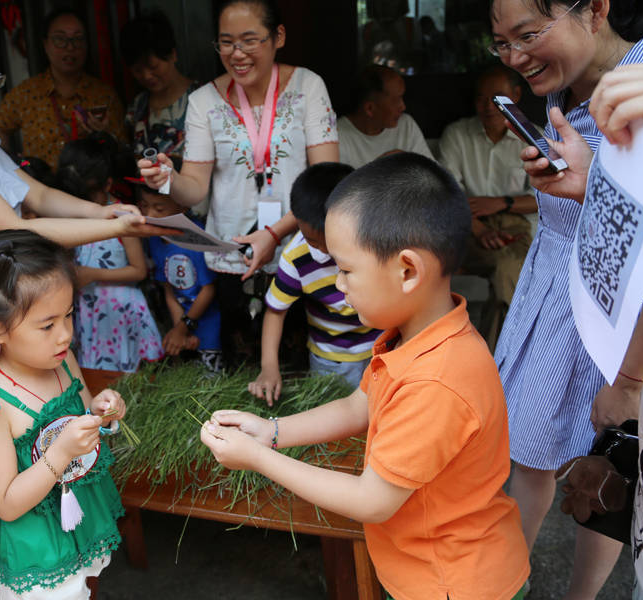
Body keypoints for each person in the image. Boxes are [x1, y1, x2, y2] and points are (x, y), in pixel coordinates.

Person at [200, 152, 530, 599]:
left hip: (452, 584)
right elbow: (360, 405)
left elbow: (370, 501)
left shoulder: (436, 381)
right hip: (424, 569)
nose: (338, 284)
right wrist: (270, 432)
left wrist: (258, 459)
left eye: (347, 269)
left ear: (408, 270)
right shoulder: (410, 336)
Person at [0, 15, 169, 397]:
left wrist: (105, 212)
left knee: (51, 421)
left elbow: (38, 195)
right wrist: (117, 227)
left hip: (17, 308)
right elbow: (12, 229)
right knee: (3, 432)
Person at [489, 0, 643, 595]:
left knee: (612, 457)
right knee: (552, 454)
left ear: (597, 10)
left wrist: (631, 380)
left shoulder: (642, 87)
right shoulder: (578, 96)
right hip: (564, 296)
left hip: (619, 319)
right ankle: (507, 583)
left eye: (529, 34)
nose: (515, 57)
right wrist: (588, 186)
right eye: (501, 43)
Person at [140, 0, 339, 361]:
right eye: (226, 42)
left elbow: (324, 182)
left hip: (299, 246)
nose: (237, 54)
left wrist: (274, 233)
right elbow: (196, 187)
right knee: (242, 363)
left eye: (249, 40)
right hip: (232, 255)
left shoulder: (308, 87)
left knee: (296, 360)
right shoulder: (203, 102)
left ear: (278, 37)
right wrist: (167, 180)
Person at [0, 229, 126, 599]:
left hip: (80, 518)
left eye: (68, 316)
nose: (65, 335)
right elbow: (6, 504)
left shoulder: (64, 363)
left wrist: (102, 412)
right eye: (47, 325)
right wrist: (60, 453)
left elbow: (88, 426)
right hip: (38, 552)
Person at [249, 162, 378, 406]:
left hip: (382, 345)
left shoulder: (376, 242)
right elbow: (276, 312)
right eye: (312, 240)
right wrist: (268, 367)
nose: (323, 249)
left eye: (329, 242)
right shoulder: (296, 257)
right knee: (336, 417)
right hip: (331, 356)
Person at [55, 133, 163, 372]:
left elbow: (138, 270)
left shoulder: (121, 216)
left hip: (118, 310)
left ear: (108, 185)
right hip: (87, 310)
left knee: (126, 376)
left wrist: (92, 274)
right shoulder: (65, 217)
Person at [438, 65, 537, 307]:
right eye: (481, 99)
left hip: (517, 228)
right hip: (467, 226)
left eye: (496, 99)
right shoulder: (457, 135)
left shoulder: (533, 138)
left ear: (516, 95)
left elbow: (544, 198)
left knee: (507, 269)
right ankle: (505, 344)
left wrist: (502, 203)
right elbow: (444, 193)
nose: (488, 107)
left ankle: (495, 343)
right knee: (507, 270)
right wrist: (480, 229)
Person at [0, 9, 126, 168]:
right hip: (42, 188)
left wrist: (105, 135)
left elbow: (123, 148)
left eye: (77, 39)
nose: (70, 47)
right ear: (46, 44)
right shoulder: (26, 93)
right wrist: (10, 164)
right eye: (60, 39)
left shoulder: (104, 95)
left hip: (91, 189)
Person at [137, 172, 222, 372]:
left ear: (183, 206)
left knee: (210, 382)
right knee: (184, 375)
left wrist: (184, 327)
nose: (150, 214)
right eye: (145, 206)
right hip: (182, 325)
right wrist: (179, 331)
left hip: (207, 327)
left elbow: (208, 290)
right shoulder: (155, 239)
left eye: (159, 208)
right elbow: (169, 290)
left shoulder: (197, 239)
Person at [120, 10, 198, 161]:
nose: (146, 76)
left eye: (153, 67)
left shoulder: (200, 99)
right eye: (137, 70)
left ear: (173, 55)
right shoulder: (138, 106)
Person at [336, 64, 433, 168]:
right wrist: (379, 169)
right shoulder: (337, 137)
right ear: (370, 109)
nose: (403, 107)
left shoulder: (406, 125)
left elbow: (434, 175)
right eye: (396, 100)